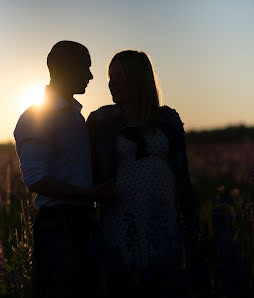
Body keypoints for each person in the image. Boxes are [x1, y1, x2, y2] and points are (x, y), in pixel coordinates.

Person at [86, 50, 199, 297]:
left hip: (161, 219)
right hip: (120, 220)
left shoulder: (167, 119)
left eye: (118, 77)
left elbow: (183, 177)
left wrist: (191, 225)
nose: (111, 83)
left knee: (163, 283)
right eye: (110, 77)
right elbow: (88, 173)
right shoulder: (102, 121)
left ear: (137, 79)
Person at [14, 40, 113, 298]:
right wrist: (91, 195)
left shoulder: (74, 115)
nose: (91, 76)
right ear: (66, 69)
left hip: (81, 221)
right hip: (59, 224)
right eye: (85, 68)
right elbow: (36, 179)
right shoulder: (37, 117)